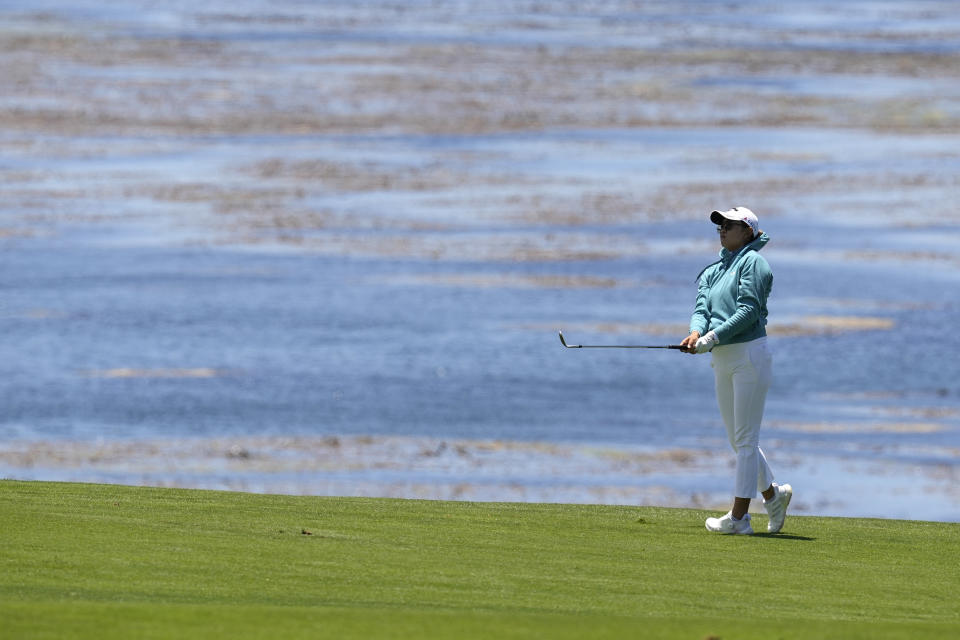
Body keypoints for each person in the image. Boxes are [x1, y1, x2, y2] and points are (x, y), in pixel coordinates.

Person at [679, 206, 792, 535]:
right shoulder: (714, 270)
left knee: (745, 440)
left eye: (730, 225)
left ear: (749, 232)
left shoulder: (754, 263)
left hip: (749, 357)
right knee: (737, 439)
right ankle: (773, 495)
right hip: (723, 358)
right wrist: (697, 332)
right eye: (720, 226)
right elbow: (702, 308)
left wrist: (712, 336)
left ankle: (739, 518)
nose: (723, 229)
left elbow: (747, 310)